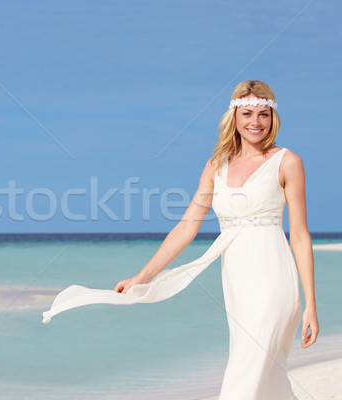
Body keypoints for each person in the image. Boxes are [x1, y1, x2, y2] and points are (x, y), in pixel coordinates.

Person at [42, 80, 319, 399]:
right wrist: (142, 276)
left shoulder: (287, 162)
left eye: (263, 114)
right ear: (234, 117)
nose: (255, 122)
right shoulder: (216, 166)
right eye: (247, 114)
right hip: (238, 282)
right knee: (265, 377)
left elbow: (299, 234)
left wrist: (310, 303)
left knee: (246, 374)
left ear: (273, 117)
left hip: (275, 281)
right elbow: (187, 227)